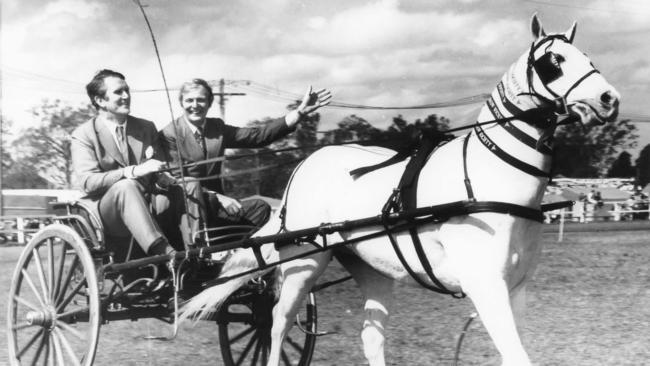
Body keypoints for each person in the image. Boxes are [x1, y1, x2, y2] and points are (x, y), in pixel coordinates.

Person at [157, 78, 331, 246]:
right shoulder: (170, 134)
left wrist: (299, 112)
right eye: (189, 100)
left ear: (209, 103)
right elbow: (178, 181)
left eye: (201, 100)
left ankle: (237, 262)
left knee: (260, 208)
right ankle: (207, 257)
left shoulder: (216, 127)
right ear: (181, 103)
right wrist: (217, 197)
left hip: (215, 211)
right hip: (187, 212)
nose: (195, 106)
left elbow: (257, 137)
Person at [71, 69, 176, 259]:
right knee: (125, 186)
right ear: (100, 101)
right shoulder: (84, 134)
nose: (127, 96)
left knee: (189, 184)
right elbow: (88, 182)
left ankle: (198, 252)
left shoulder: (146, 127)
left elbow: (159, 170)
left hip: (149, 202)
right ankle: (165, 254)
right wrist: (133, 171)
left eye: (127, 90)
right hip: (107, 215)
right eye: (119, 92)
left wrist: (163, 179)